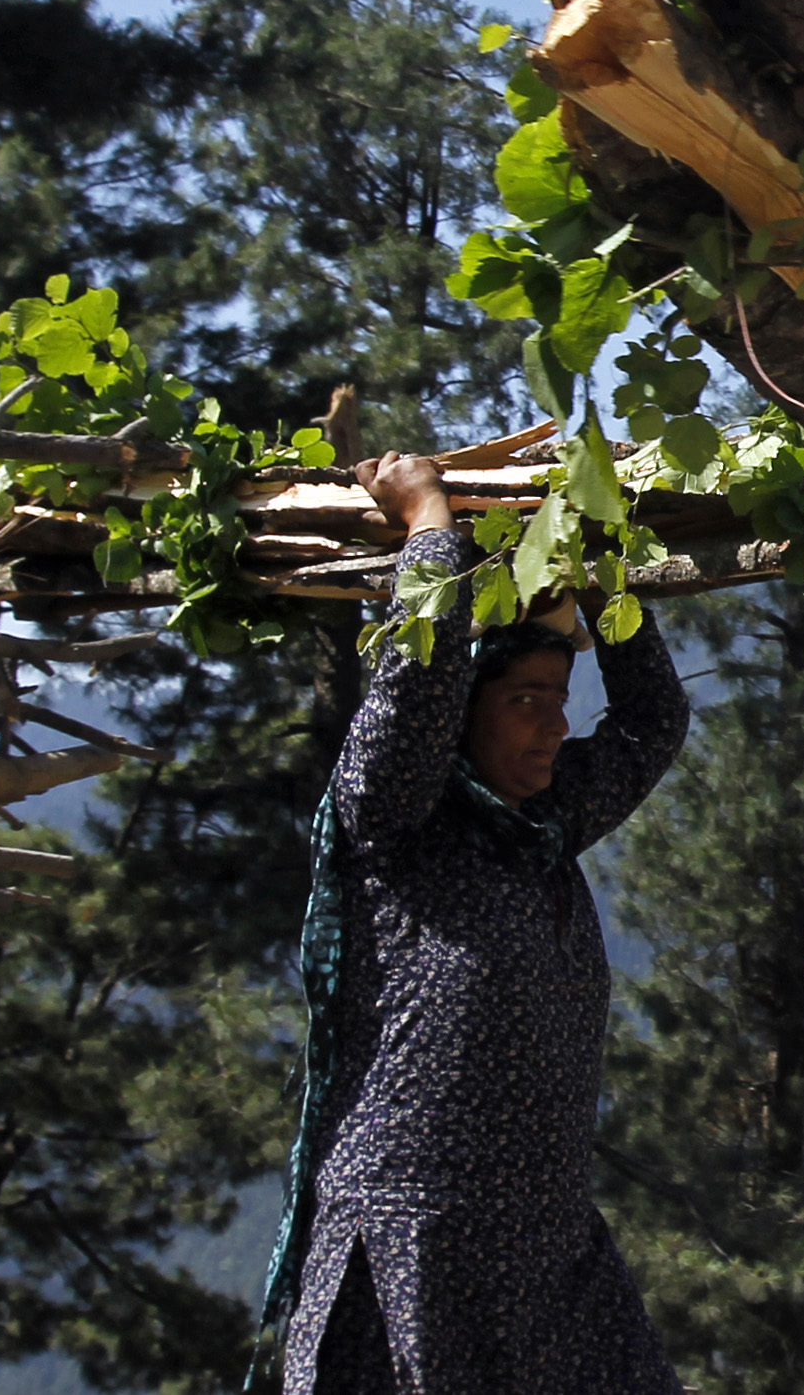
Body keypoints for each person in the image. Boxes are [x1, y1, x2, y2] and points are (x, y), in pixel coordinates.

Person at [250, 451, 690, 1395]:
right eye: (525, 702)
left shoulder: (542, 829)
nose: (554, 728)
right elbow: (411, 696)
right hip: (414, 1246)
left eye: (558, 701)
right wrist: (429, 527)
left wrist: (601, 568)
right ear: (460, 711)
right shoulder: (397, 825)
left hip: (544, 1257)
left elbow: (652, 721)